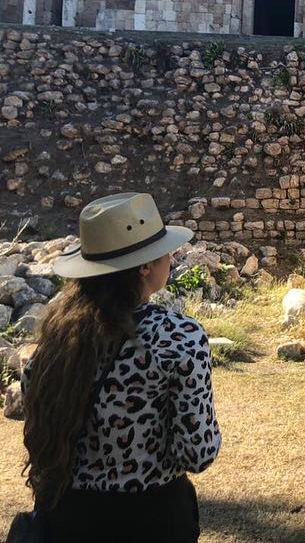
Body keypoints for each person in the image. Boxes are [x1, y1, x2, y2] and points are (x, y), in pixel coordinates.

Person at [19, 192, 221, 543]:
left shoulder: (53, 342)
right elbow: (197, 452)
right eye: (164, 251)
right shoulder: (179, 338)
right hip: (151, 518)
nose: (170, 258)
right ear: (144, 267)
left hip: (68, 517)